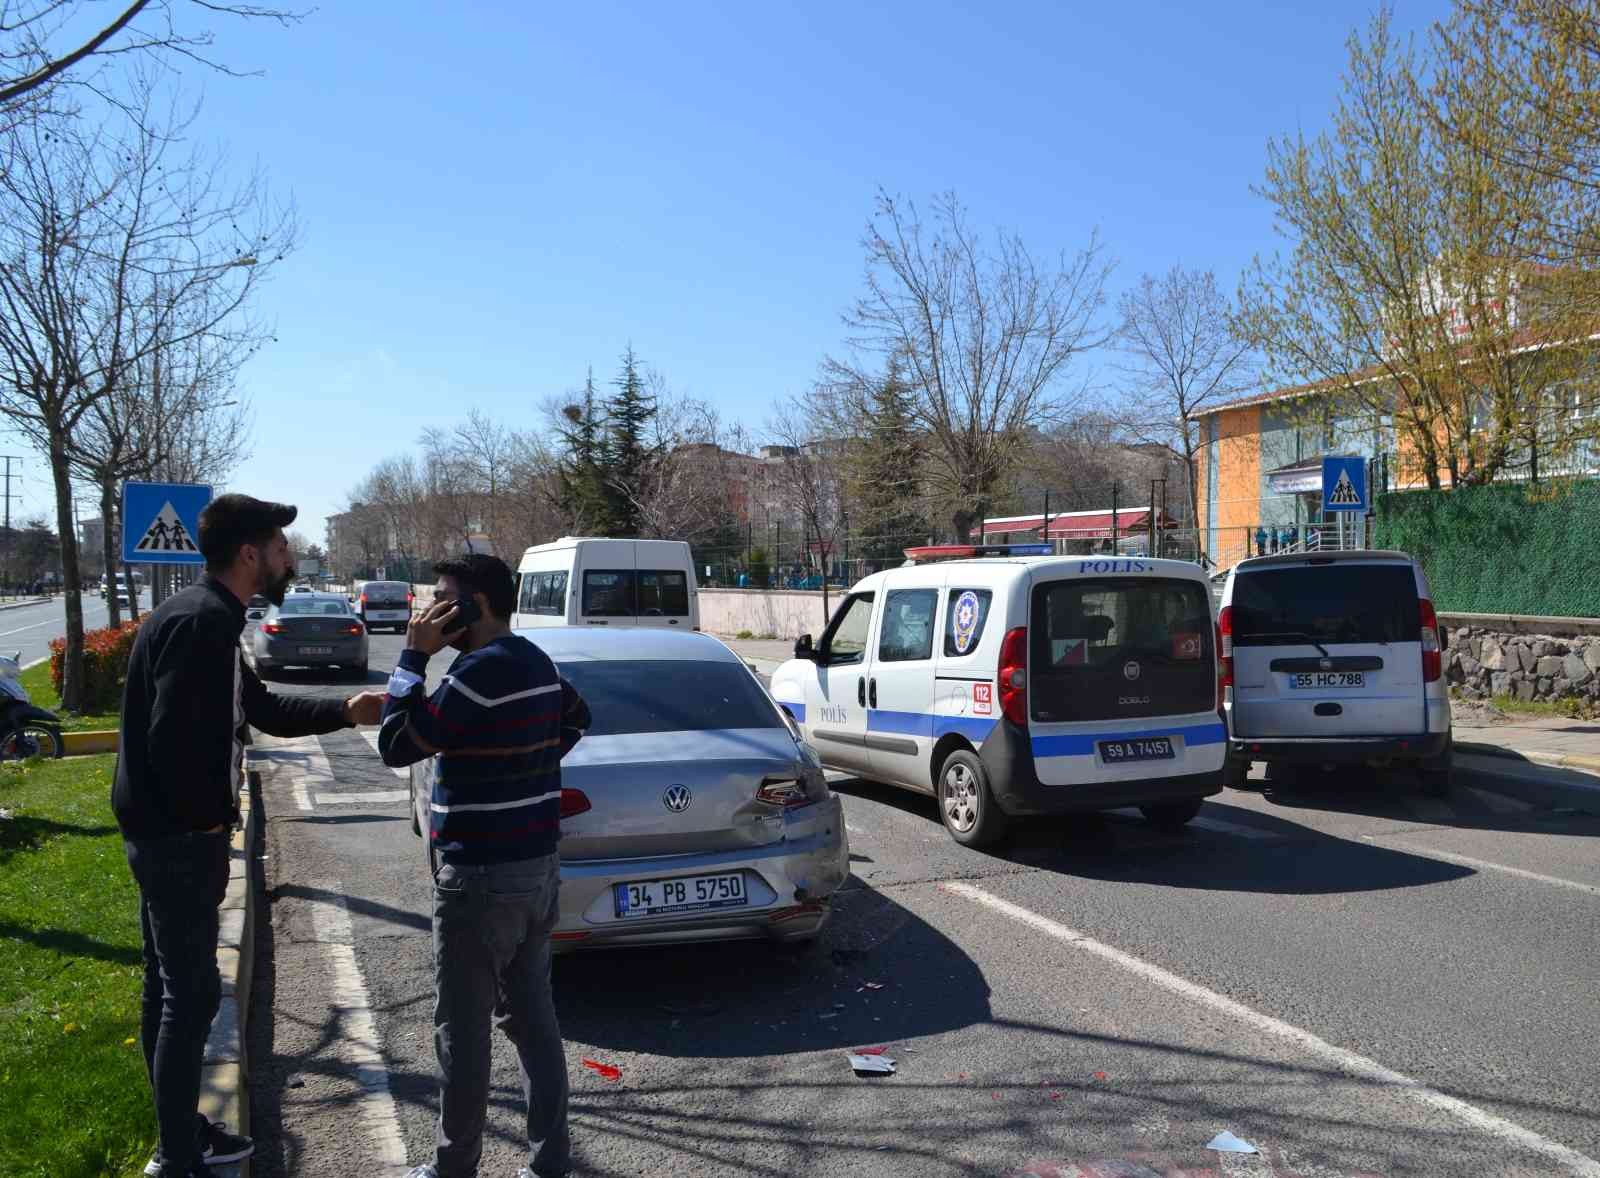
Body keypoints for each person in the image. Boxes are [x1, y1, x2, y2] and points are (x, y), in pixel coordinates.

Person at [112, 494, 387, 1178]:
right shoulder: (202, 623)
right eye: (280, 547)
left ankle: (181, 1130)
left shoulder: (208, 616)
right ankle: (178, 1157)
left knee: (168, 989)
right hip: (179, 842)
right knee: (191, 995)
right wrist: (207, 818)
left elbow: (259, 709)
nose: (288, 558)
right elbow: (172, 741)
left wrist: (345, 710)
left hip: (168, 835)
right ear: (249, 554)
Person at [379, 553, 590, 1178]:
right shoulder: (532, 661)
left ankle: (454, 1170)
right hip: (537, 869)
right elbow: (579, 716)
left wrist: (413, 658)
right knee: (533, 1021)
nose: (432, 610)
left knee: (462, 1032)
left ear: (474, 606)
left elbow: (396, 744)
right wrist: (524, 765)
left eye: (444, 598)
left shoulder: (475, 676)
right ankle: (550, 1165)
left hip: (479, 881)